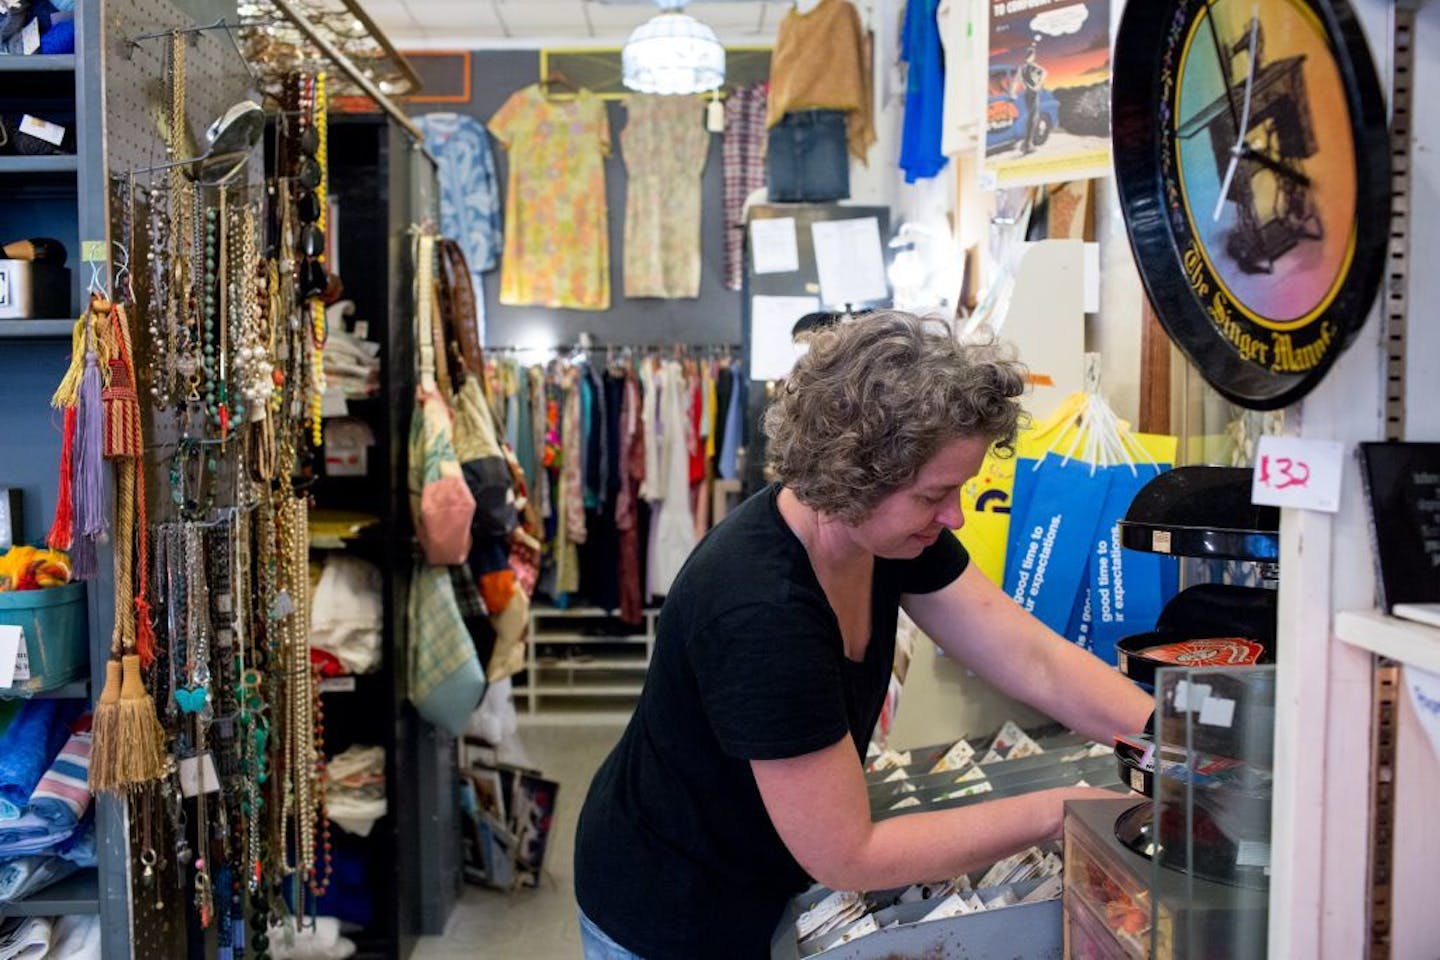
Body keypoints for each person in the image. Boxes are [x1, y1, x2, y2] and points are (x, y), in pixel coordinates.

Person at [574, 312, 1150, 959]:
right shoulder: (761, 612)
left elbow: (1029, 657)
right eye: (937, 495)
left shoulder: (885, 534)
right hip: (671, 905)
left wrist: (1170, 741)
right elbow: (851, 854)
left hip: (765, 874)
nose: (954, 515)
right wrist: (1063, 810)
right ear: (856, 477)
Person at [1019, 45, 1047, 155]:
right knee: (1033, 118)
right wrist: (1038, 85)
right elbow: (1044, 72)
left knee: (1031, 118)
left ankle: (1026, 144)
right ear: (1032, 56)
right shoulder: (1032, 67)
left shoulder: (1022, 68)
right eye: (1032, 55)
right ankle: (1027, 145)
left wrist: (1031, 86)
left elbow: (1021, 81)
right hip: (1033, 93)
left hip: (1027, 93)